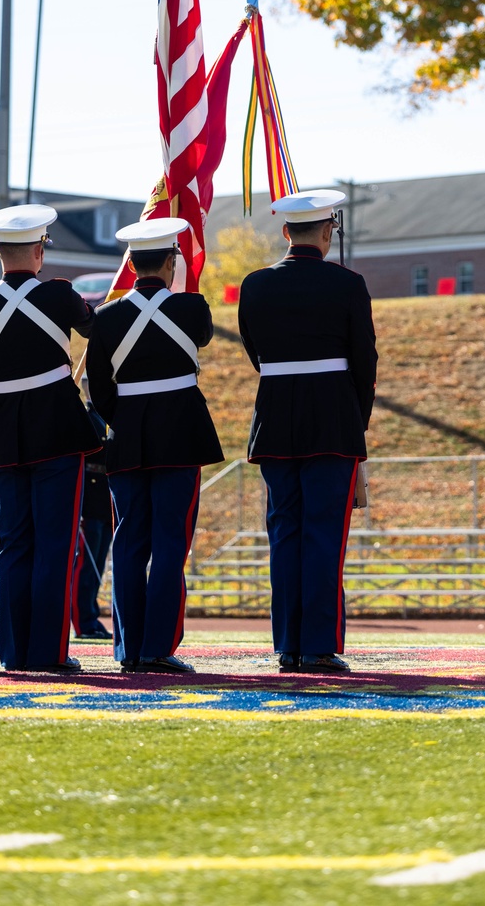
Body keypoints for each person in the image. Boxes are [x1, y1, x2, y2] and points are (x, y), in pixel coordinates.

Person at [237, 189, 377, 674]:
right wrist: (357, 425)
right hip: (333, 419)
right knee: (323, 536)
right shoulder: (348, 283)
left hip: (275, 417)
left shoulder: (254, 285)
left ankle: (288, 645)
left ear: (285, 233)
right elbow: (365, 363)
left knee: (285, 535)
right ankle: (317, 644)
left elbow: (255, 355)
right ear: (327, 232)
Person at [0, 205, 99, 673]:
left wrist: (4, 405)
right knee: (56, 545)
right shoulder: (60, 294)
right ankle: (49, 652)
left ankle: (14, 652)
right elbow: (96, 331)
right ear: (40, 251)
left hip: (9, 436)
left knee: (14, 545)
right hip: (59, 430)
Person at [85, 218, 221, 673]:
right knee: (169, 545)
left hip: (127, 440)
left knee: (128, 543)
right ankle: (159, 647)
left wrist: (124, 420)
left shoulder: (103, 318)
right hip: (180, 437)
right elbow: (200, 337)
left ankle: (128, 649)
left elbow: (99, 391)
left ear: (130, 264)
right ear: (170, 261)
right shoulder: (192, 307)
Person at [71, 447, 114, 641]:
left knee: (97, 567)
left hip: (104, 500)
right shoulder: (88, 417)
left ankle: (91, 617)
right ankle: (83, 622)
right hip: (89, 501)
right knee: (86, 568)